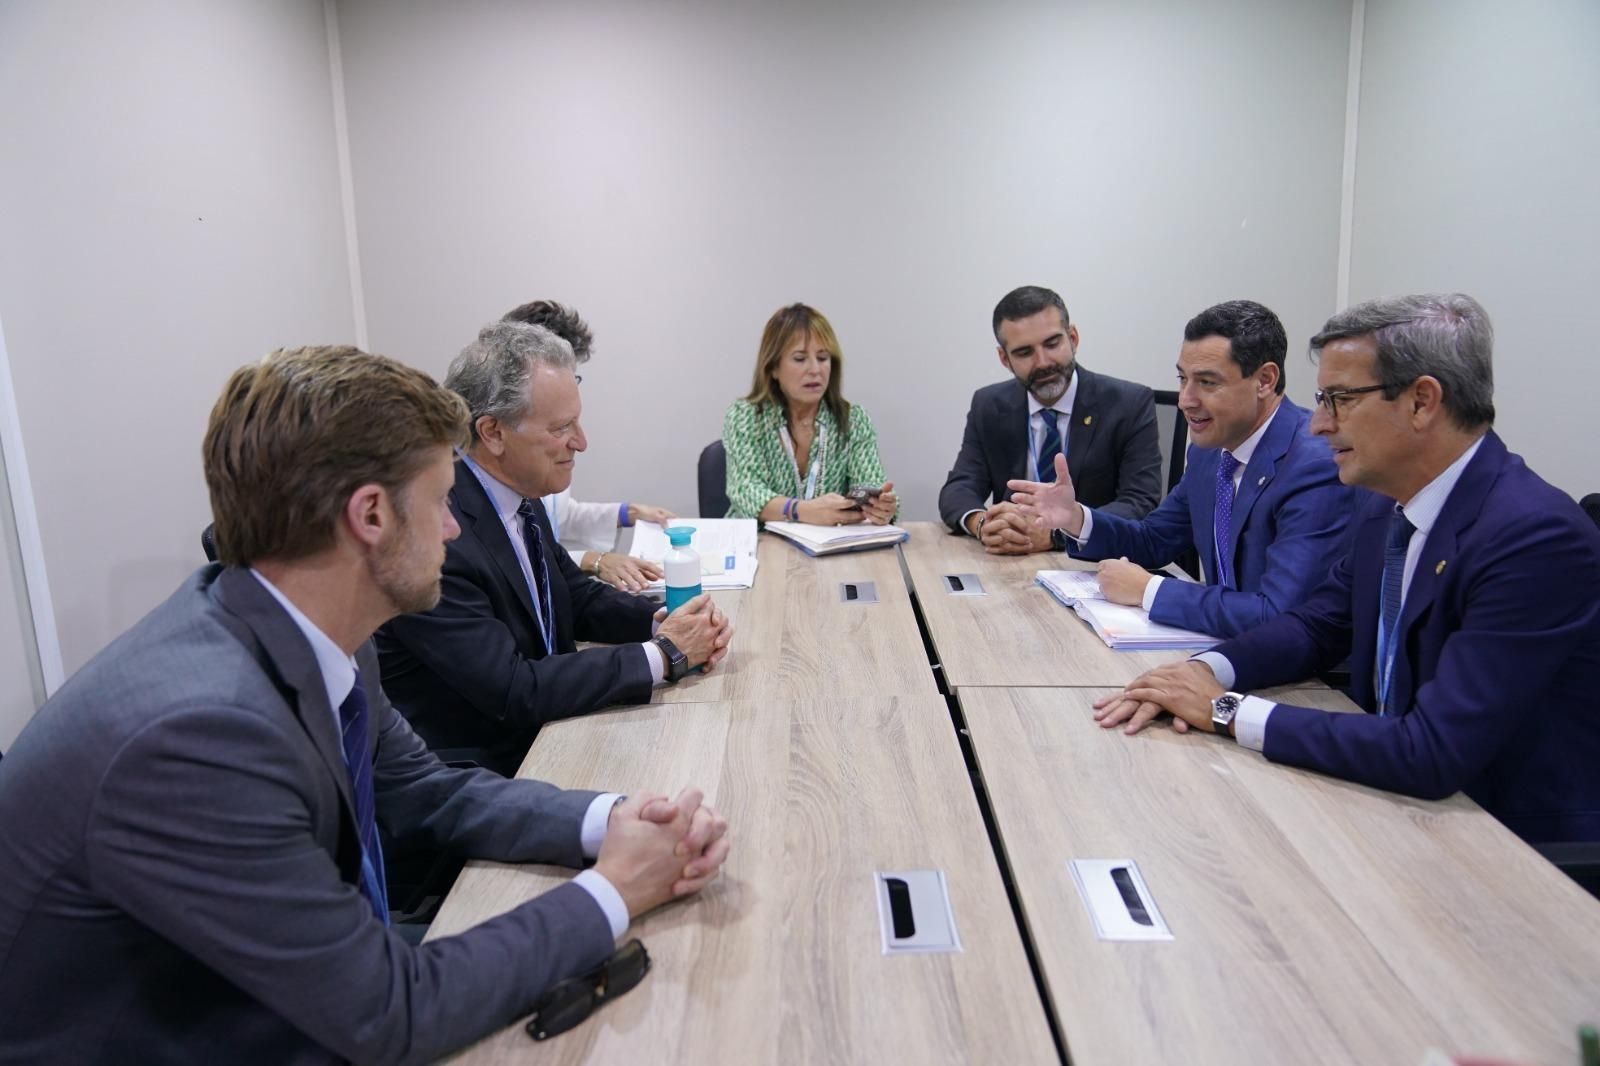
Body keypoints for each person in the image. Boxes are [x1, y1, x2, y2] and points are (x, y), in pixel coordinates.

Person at [0, 346, 731, 1063]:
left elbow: (430, 791)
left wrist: (614, 820)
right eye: (443, 500)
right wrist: (616, 889)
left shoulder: (311, 628)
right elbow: (388, 1012)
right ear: (371, 514)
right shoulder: (199, 735)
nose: (454, 527)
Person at [1085, 294, 1600, 845]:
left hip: (1509, 842)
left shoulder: (1533, 537)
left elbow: (1432, 751)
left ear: (1422, 401)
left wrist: (1227, 711)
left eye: (1339, 400)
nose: (1318, 426)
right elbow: (1317, 624)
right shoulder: (1389, 503)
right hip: (1394, 801)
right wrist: (1208, 670)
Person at [376, 322, 732, 775]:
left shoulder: (519, 495)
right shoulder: (438, 535)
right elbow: (514, 690)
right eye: (562, 428)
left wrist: (663, 620)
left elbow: (574, 595)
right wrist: (663, 654)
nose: (581, 442)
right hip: (490, 773)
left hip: (557, 732)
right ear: (492, 432)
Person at [1007, 300, 1354, 637]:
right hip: (1223, 646)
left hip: (1305, 681)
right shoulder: (1210, 453)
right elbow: (1154, 539)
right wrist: (1075, 518)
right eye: (1182, 379)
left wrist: (1149, 591)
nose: (1186, 400)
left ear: (1264, 380)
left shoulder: (1315, 465)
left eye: (1207, 382)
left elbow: (1279, 615)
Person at [939, 285, 1162, 554]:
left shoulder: (1129, 403)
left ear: (1073, 338)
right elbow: (959, 487)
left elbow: (1139, 502)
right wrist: (983, 524)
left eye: (1052, 343)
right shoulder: (989, 404)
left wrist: (1057, 535)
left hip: (1095, 565)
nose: (1043, 362)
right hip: (1011, 559)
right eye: (1024, 352)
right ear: (1004, 358)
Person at [503, 299, 675, 593]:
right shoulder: (517, 443)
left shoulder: (552, 434)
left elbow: (558, 517)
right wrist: (593, 560)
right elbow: (515, 557)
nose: (580, 443)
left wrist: (626, 513)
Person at [722, 303, 897, 524]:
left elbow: (871, 483)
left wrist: (881, 508)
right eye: (800, 359)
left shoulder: (853, 420)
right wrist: (801, 511)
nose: (815, 369)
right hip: (759, 544)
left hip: (830, 547)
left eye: (823, 358)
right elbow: (745, 492)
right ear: (773, 367)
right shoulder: (746, 416)